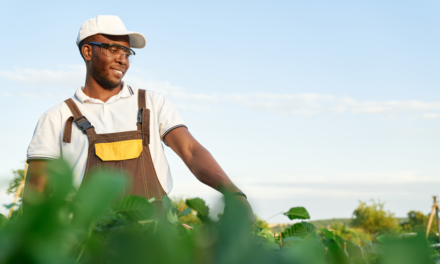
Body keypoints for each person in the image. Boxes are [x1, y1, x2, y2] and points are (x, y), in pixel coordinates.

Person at [24, 15, 254, 221]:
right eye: (113, 49)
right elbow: (36, 195)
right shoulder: (56, 118)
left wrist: (233, 193)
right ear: (87, 51)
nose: (123, 60)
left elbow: (190, 151)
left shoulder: (152, 103)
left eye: (127, 53)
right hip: (89, 246)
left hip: (154, 242)